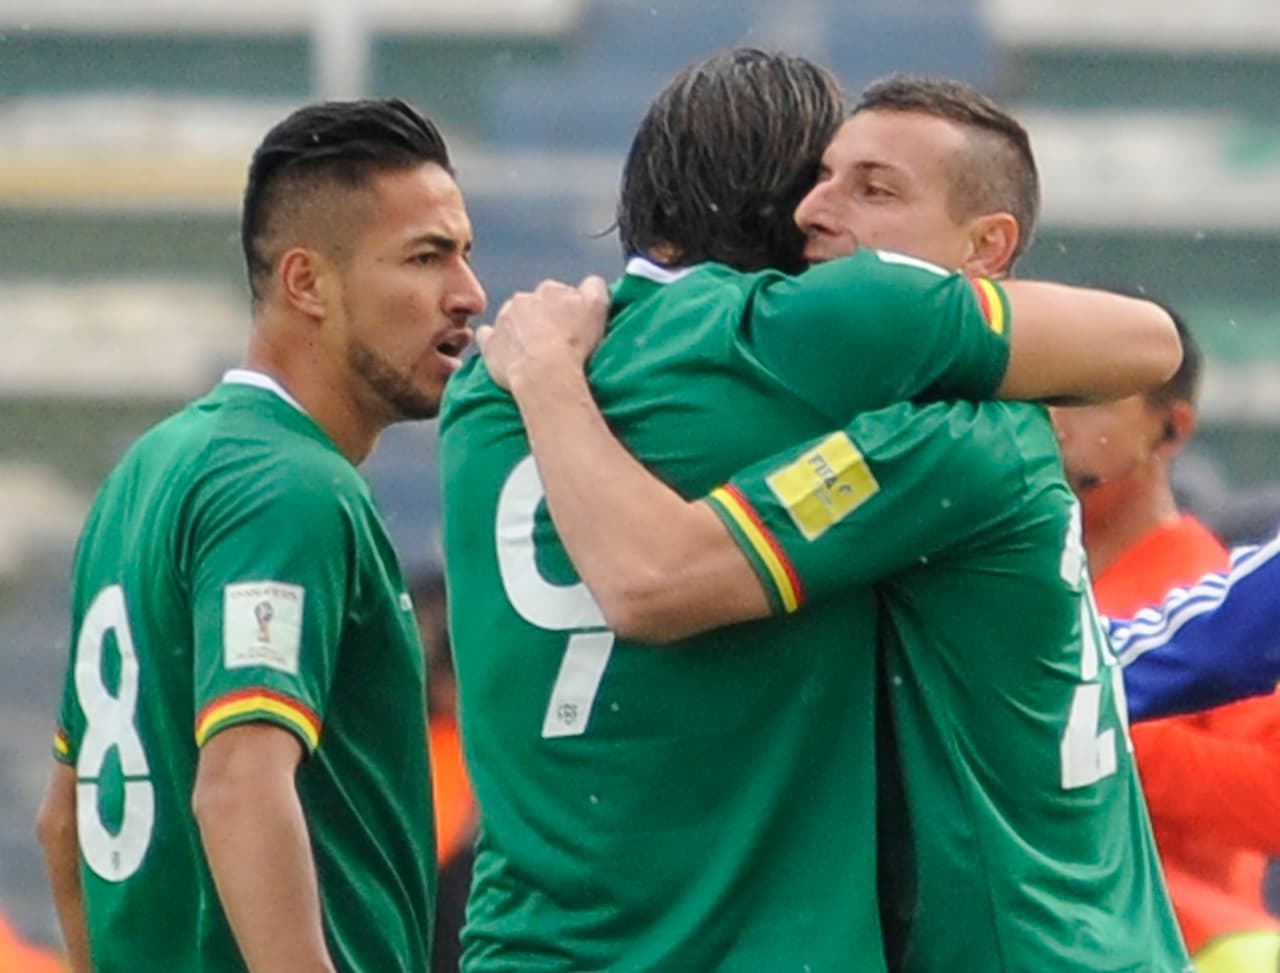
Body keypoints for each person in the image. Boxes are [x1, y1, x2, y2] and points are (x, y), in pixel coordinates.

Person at [441, 54, 1180, 972]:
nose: (818, 212)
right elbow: (1148, 341)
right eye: (821, 178)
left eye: (872, 188)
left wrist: (551, 380)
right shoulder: (831, 361)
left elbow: (653, 575)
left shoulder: (491, 377)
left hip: (533, 943)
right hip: (1014, 936)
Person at [36, 98, 486, 973]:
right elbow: (240, 784)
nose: (468, 292)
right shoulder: (291, 487)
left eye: (464, 253)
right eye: (426, 257)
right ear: (306, 282)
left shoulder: (148, 470)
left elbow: (65, 819)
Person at [1054, 310, 1280, 972]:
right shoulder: (1010, 579)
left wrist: (1093, 735)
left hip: (1188, 945)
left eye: (1086, 394)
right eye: (1044, 392)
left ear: (1172, 428)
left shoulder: (1207, 588)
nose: (1055, 418)